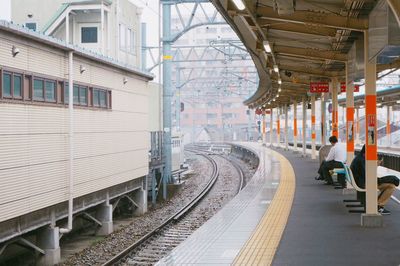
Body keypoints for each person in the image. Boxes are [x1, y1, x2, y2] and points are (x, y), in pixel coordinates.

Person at [350, 145, 396, 215]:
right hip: (364, 183)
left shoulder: (359, 158)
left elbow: (366, 174)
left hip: (361, 182)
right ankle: (378, 206)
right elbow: (368, 176)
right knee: (391, 186)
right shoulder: (361, 160)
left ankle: (378, 205)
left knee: (389, 183)